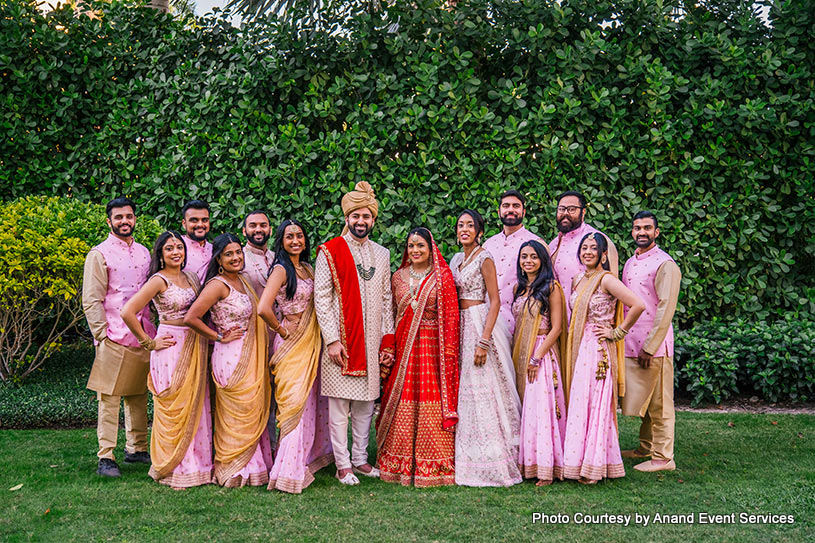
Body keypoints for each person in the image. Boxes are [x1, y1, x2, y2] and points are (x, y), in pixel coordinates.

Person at [313, 181, 395, 486]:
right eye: (356, 216)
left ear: (373, 220)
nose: (361, 221)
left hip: (371, 343)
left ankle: (360, 460)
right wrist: (332, 339)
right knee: (339, 409)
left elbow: (387, 298)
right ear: (347, 217)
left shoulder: (382, 253)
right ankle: (342, 465)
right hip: (342, 343)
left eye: (366, 217)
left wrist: (387, 338)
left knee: (364, 406)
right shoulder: (330, 251)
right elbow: (321, 297)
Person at [121, 231, 212, 488]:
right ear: (160, 254)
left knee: (197, 402)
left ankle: (199, 465)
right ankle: (172, 466)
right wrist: (149, 342)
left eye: (179, 248)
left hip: (195, 344)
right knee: (174, 405)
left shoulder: (191, 277)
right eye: (169, 248)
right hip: (170, 345)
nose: (176, 252)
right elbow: (128, 311)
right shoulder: (158, 280)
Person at [184, 234, 273, 487]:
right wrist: (218, 335)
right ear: (219, 260)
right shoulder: (218, 284)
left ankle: (254, 467)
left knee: (252, 409)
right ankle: (233, 468)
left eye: (238, 252)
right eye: (229, 254)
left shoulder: (243, 280)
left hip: (251, 349)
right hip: (230, 355)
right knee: (236, 411)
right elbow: (192, 317)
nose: (236, 257)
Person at [376, 228, 460, 487]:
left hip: (433, 349)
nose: (415, 250)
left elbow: (452, 318)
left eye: (420, 246)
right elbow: (388, 314)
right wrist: (388, 346)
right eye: (411, 245)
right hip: (404, 348)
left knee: (431, 399)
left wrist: (449, 352)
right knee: (402, 397)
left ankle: (434, 461)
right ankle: (397, 461)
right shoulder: (397, 277)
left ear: (430, 248)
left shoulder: (442, 277)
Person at [562, 233, 645, 484]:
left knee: (596, 405)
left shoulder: (607, 280)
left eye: (593, 248)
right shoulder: (578, 279)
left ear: (603, 254)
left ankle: (595, 466)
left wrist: (616, 332)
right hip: (579, 346)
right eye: (584, 247)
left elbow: (638, 304)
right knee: (580, 403)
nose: (588, 252)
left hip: (598, 349)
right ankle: (577, 463)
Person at [259, 220, 333, 493]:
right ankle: (287, 471)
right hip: (290, 344)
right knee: (293, 405)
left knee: (310, 402)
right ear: (281, 240)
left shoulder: (308, 268)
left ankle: (306, 459)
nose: (295, 241)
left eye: (299, 236)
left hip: (310, 342)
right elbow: (263, 307)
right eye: (289, 236)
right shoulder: (281, 270)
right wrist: (281, 328)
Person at [82, 197, 154, 477]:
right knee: (109, 398)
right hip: (112, 334)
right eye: (119, 217)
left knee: (137, 395)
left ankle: (137, 448)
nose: (125, 221)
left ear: (135, 218)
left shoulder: (145, 252)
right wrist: (102, 335)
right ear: (109, 221)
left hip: (141, 333)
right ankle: (106, 456)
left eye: (129, 216)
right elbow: (91, 299)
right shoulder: (99, 254)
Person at [450, 210, 522, 487]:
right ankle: (465, 454)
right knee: (463, 388)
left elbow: (495, 301)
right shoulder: (457, 259)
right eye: (460, 225)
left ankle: (492, 456)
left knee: (483, 386)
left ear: (479, 231)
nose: (464, 229)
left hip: (480, 323)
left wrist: (484, 340)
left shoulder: (485, 257)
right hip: (460, 323)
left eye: (470, 225)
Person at [620, 211, 682, 473]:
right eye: (637, 228)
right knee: (644, 400)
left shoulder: (665, 264)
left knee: (660, 403)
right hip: (630, 342)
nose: (641, 232)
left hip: (653, 346)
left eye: (647, 228)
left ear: (657, 232)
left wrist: (651, 345)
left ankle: (664, 457)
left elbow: (666, 308)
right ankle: (646, 447)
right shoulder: (630, 261)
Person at [511, 240, 568, 486]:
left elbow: (557, 328)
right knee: (526, 410)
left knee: (541, 410)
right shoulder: (520, 288)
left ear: (542, 260)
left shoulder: (551, 287)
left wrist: (537, 357)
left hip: (541, 354)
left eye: (534, 257)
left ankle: (546, 468)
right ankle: (528, 463)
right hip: (520, 351)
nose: (528, 261)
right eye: (524, 257)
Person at [482, 190, 546, 334]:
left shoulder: (536, 244)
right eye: (506, 206)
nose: (511, 209)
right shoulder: (488, 245)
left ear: (523, 212)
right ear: (499, 211)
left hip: (521, 325)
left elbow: (545, 285)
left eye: (516, 206)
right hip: (487, 323)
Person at [548, 191, 619, 316]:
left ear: (583, 212)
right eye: (561, 209)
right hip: (557, 323)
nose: (565, 213)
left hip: (587, 324)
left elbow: (613, 290)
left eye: (571, 209)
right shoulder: (552, 244)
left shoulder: (598, 240)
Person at [242, 210, 275, 298]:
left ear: (270, 230)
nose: (258, 230)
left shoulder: (277, 257)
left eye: (263, 225)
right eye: (252, 226)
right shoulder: (239, 259)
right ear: (244, 231)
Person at [181, 200, 213, 283]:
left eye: (205, 220)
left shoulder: (214, 249)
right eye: (194, 220)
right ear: (184, 224)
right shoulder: (176, 249)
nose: (200, 224)